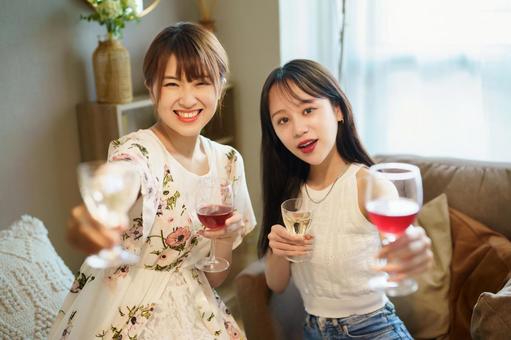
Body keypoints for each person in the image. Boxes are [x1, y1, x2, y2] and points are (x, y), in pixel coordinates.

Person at [50, 22, 256, 340]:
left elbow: (215, 278)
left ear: (220, 84)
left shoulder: (228, 163)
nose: (187, 99)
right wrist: (96, 208)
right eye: (172, 84)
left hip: (195, 307)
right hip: (124, 309)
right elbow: (124, 172)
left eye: (201, 82)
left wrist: (224, 239)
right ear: (151, 88)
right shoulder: (140, 149)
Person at [258, 59, 433, 339]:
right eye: (283, 120)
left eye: (308, 110)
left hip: (374, 328)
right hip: (313, 330)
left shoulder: (369, 184)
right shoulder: (291, 196)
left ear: (337, 109)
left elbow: (405, 242)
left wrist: (414, 245)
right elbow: (275, 284)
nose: (298, 128)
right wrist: (279, 248)